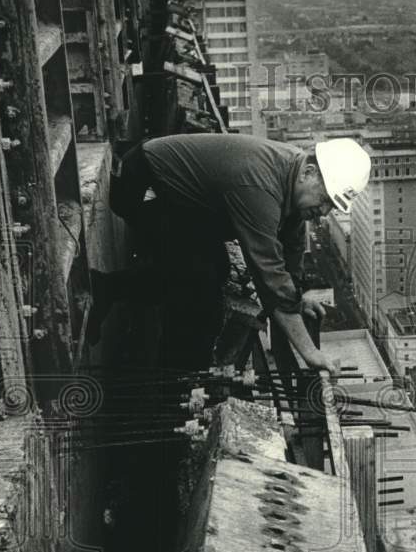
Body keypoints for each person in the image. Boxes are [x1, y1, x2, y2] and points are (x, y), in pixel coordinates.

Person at [90, 134, 370, 374]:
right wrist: (310, 352)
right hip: (142, 185)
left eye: (331, 207)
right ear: (309, 173)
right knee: (199, 285)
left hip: (181, 200)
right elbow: (269, 274)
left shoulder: (294, 175)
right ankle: (173, 381)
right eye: (324, 200)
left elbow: (291, 247)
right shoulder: (261, 185)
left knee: (212, 270)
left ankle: (106, 289)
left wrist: (296, 297)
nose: (323, 212)